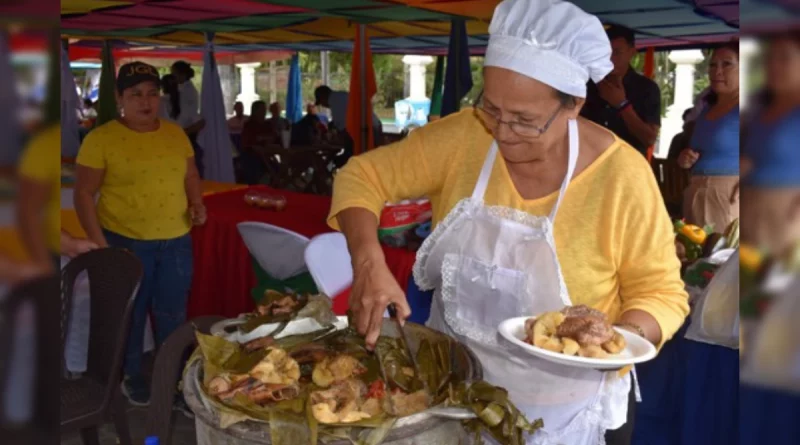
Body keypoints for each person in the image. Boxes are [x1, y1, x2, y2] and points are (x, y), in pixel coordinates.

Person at [328, 1, 688, 444]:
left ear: (574, 104)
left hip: (562, 414)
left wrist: (617, 339)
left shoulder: (622, 176)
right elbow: (361, 175)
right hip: (451, 394)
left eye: (525, 120)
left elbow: (663, 293)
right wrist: (367, 263)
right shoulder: (464, 136)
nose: (502, 131)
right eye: (492, 109)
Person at [74, 61, 206, 407]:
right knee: (130, 314)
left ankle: (173, 379)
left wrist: (196, 202)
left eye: (151, 94)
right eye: (135, 95)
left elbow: (191, 175)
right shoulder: (100, 138)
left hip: (176, 240)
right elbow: (83, 194)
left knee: (172, 314)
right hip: (125, 240)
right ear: (120, 98)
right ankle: (131, 375)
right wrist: (101, 245)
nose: (145, 102)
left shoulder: (175, 133)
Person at [740, 32, 800, 253]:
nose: (774, 65)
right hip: (751, 202)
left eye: (784, 58)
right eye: (770, 58)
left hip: (787, 209)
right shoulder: (760, 108)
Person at [678, 41, 740, 230]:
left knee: (724, 256)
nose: (717, 71)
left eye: (727, 64)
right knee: (695, 255)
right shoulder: (705, 109)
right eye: (713, 65)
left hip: (729, 195)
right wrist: (685, 160)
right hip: (696, 190)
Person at [581, 25, 662, 158]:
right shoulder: (588, 84)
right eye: (606, 53)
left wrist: (622, 105)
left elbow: (649, 139)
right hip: (591, 163)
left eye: (617, 52)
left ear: (632, 52)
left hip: (628, 166)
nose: (610, 58)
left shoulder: (646, 88)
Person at [314, 85, 383, 167]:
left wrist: (331, 140)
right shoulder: (340, 96)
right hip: (373, 126)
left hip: (367, 130)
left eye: (321, 103)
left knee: (351, 159)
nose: (323, 105)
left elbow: (344, 130)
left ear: (323, 97)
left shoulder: (335, 102)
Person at [171, 60, 205, 176]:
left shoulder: (188, 91)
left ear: (182, 74)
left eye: (174, 74)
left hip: (188, 130)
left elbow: (187, 114)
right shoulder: (183, 90)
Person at [239, 101, 272, 184]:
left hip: (267, 154)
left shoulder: (267, 124)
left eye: (264, 109)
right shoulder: (249, 125)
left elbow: (273, 136)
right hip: (252, 156)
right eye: (262, 109)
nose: (264, 111)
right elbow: (247, 142)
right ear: (255, 111)